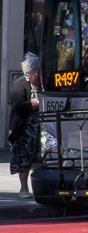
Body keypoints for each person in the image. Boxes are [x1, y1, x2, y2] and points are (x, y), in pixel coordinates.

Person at [8, 53, 42, 198]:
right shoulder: (20, 84)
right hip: (24, 129)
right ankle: (24, 188)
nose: (39, 74)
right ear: (30, 72)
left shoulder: (42, 84)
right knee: (24, 158)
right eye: (37, 72)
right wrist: (33, 104)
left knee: (40, 158)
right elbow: (17, 106)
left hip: (41, 129)